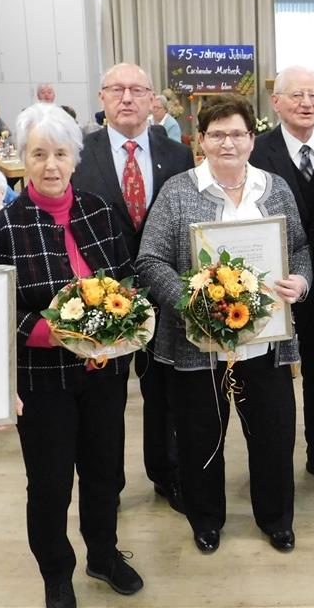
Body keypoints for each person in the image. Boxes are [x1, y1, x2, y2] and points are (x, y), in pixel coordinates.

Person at [0, 103, 143, 606]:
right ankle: (56, 571)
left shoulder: (99, 211)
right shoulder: (6, 226)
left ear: (75, 158)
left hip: (103, 372)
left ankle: (103, 553)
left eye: (61, 154)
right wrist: (44, 331)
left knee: (104, 471)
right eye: (39, 154)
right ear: (23, 161)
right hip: (43, 377)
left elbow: (127, 282)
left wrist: (124, 323)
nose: (51, 165)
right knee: (49, 484)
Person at [136, 94, 311, 553]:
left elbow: (300, 248)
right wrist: (191, 301)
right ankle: (206, 519)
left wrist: (301, 281)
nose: (227, 143)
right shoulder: (177, 191)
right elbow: (149, 260)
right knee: (200, 439)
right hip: (200, 347)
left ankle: (276, 519)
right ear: (201, 141)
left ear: (252, 139)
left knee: (273, 437)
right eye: (217, 134)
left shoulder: (274, 188)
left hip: (265, 344)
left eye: (236, 133)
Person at [71, 63, 193, 513]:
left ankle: (167, 474)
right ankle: (106, 484)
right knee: (106, 399)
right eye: (117, 89)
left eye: (137, 90)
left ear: (151, 100)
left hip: (162, 292)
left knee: (164, 391)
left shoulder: (177, 153)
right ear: (101, 97)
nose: (127, 98)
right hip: (102, 299)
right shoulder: (80, 154)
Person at [249, 65, 314, 483]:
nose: (306, 103)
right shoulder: (255, 152)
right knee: (271, 378)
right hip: (273, 287)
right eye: (296, 95)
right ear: (275, 102)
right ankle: (272, 463)